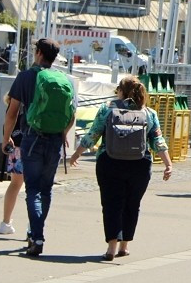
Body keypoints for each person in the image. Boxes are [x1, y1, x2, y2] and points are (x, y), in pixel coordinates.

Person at [69, 76, 173, 260]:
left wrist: (77, 153)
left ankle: (111, 248)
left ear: (121, 91)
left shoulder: (107, 109)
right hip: (139, 165)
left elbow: (94, 133)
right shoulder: (149, 113)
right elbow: (157, 140)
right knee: (132, 204)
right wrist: (167, 163)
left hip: (109, 162)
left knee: (111, 204)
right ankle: (124, 246)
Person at [0, 38, 76, 257]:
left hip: (32, 138)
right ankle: (35, 231)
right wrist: (61, 133)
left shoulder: (25, 77)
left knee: (32, 189)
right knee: (46, 189)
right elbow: (72, 115)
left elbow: (12, 113)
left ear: (39, 53)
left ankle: (37, 236)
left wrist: (6, 139)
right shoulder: (62, 79)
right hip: (55, 140)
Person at [0, 93, 24, 236]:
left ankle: (5, 222)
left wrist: (6, 139)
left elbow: (7, 127)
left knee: (15, 184)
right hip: (33, 146)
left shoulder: (11, 108)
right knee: (34, 187)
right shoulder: (32, 105)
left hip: (16, 148)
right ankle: (33, 228)